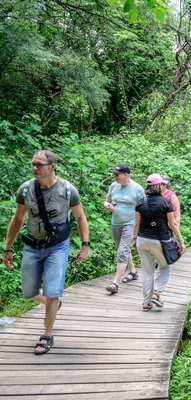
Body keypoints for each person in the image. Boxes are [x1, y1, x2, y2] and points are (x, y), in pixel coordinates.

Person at [3, 150, 90, 355]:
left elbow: (80, 218)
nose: (35, 168)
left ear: (52, 166)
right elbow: (17, 219)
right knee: (29, 291)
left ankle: (47, 333)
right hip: (32, 245)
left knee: (53, 290)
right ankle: (54, 304)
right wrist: (7, 248)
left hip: (57, 246)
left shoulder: (68, 190)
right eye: (33, 164)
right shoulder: (25, 189)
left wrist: (84, 244)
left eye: (39, 164)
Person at [134, 174, 185, 311]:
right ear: (158, 186)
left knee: (147, 271)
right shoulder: (165, 202)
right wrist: (181, 241)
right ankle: (156, 294)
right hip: (159, 241)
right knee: (165, 266)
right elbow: (173, 224)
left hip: (142, 240)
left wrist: (134, 240)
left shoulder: (140, 202)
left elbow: (136, 224)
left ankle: (146, 303)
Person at [104, 164, 145, 294]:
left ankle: (115, 283)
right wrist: (108, 205)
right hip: (115, 223)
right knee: (122, 249)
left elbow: (144, 208)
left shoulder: (137, 188)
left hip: (130, 223)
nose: (114, 176)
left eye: (117, 174)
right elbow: (107, 201)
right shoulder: (113, 186)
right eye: (114, 174)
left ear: (125, 174)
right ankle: (133, 271)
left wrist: (139, 226)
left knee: (122, 251)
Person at [151, 175, 181, 306]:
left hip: (166, 230)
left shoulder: (171, 196)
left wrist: (175, 228)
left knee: (163, 256)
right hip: (152, 232)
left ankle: (153, 296)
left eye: (165, 183)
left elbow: (176, 214)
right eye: (162, 183)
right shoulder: (151, 197)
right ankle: (154, 295)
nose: (163, 185)